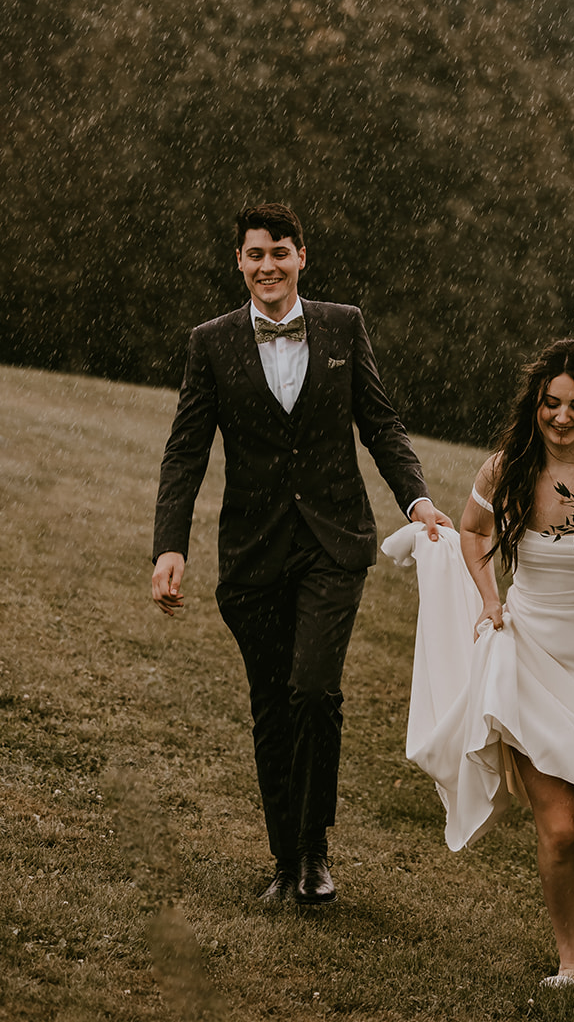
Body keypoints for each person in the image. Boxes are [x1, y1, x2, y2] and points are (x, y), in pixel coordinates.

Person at [151, 202, 451, 907]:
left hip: (331, 545)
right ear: (239, 262)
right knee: (272, 704)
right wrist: (169, 545)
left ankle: (314, 851)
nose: (266, 266)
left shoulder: (344, 326)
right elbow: (185, 451)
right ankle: (284, 859)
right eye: (254, 254)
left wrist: (417, 500)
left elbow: (380, 423)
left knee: (312, 690)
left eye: (279, 252)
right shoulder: (212, 342)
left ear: (301, 258)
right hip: (253, 555)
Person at [394, 338, 574, 986]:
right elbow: (474, 531)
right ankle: (571, 961)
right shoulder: (506, 469)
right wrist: (489, 600)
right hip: (532, 654)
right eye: (550, 403)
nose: (561, 416)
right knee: (559, 828)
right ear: (535, 404)